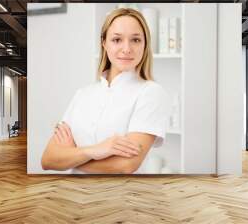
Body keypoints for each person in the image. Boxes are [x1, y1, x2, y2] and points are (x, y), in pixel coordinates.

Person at [41, 8, 170, 174]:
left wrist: (70, 158)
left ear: (145, 45)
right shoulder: (83, 94)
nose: (127, 48)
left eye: (136, 40)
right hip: (75, 196)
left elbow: (126, 165)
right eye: (117, 39)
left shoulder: (151, 93)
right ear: (104, 43)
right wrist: (95, 150)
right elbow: (48, 159)